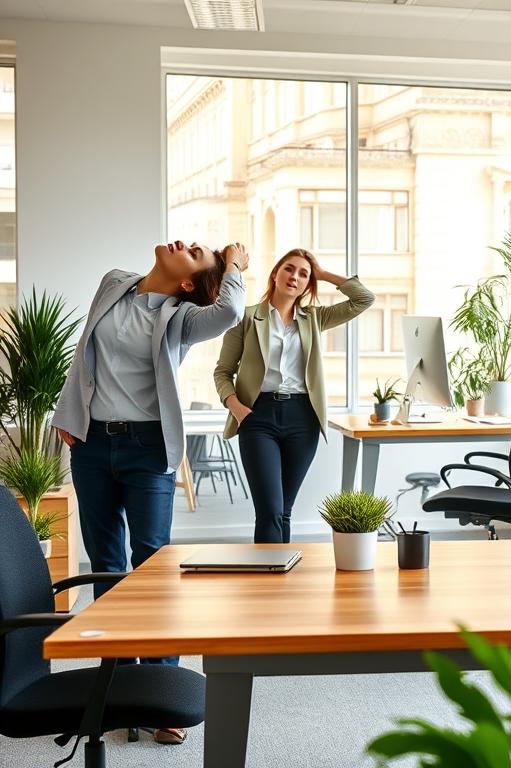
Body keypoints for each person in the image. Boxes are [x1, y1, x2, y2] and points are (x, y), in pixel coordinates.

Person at [52, 238, 248, 744]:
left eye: (197, 252)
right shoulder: (112, 283)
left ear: (188, 282)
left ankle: (162, 693)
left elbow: (228, 312)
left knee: (152, 562)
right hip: (93, 443)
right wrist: (66, 413)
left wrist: (233, 265)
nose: (186, 242)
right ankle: (116, 686)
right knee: (106, 563)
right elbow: (83, 357)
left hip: (147, 448)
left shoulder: (182, 318)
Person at [214, 249, 374, 544]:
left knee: (284, 511)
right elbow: (222, 372)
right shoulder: (246, 318)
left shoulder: (314, 318)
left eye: (304, 274)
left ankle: (279, 581)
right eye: (289, 269)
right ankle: (266, 581)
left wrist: (323, 273)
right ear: (275, 273)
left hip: (303, 418)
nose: (295, 277)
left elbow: (364, 299)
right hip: (257, 416)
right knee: (270, 510)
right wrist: (236, 407)